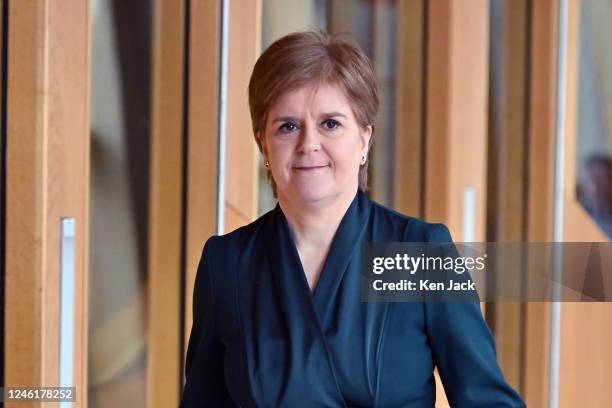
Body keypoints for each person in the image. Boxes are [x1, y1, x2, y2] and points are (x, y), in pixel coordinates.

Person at [181, 30, 525, 407]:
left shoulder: (421, 253)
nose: (308, 143)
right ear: (264, 142)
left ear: (364, 139)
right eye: (288, 126)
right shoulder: (226, 264)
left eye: (330, 123)